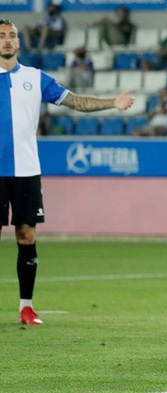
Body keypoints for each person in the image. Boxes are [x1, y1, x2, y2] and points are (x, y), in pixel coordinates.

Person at [0, 19, 134, 325]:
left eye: (11, 36)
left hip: (26, 171)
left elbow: (75, 101)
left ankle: (26, 306)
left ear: (19, 43)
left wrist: (113, 102)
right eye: (1, 36)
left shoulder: (35, 78)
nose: (7, 40)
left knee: (26, 234)